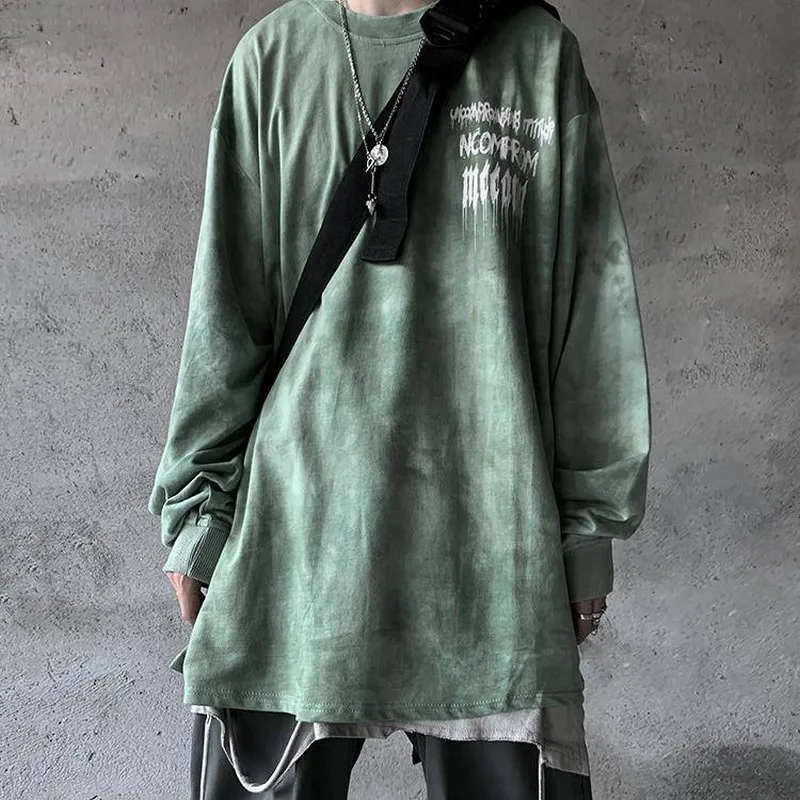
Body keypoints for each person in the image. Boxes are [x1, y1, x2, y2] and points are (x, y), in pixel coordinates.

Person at [148, 0, 651, 797]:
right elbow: (225, 316)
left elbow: (591, 318)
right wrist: (197, 514)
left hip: (493, 551)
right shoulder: (272, 59)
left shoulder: (537, 59)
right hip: (294, 542)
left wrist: (587, 530)